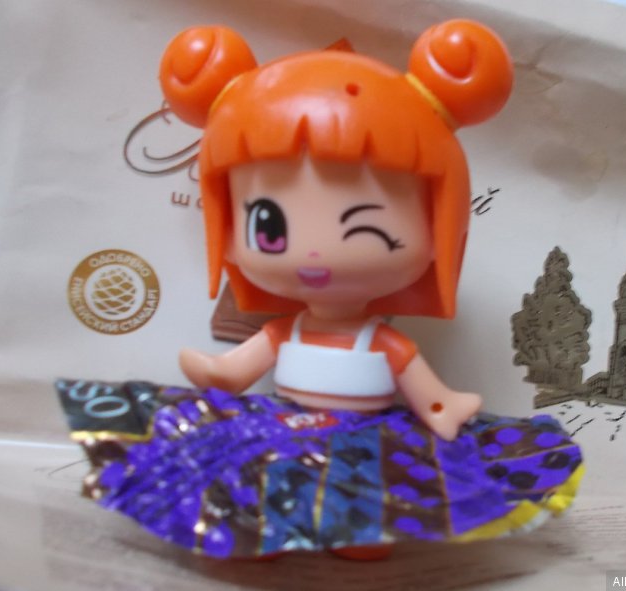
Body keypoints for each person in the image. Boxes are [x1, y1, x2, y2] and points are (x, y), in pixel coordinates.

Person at [58, 20, 582, 561]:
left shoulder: (382, 342)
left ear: (437, 231)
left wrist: (442, 406)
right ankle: (270, 528)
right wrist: (220, 374)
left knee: (358, 494)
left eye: (364, 226)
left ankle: (354, 533)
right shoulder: (285, 331)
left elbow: (423, 387)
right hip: (288, 422)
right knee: (268, 477)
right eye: (268, 224)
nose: (313, 254)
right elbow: (239, 368)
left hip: (364, 436)